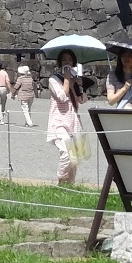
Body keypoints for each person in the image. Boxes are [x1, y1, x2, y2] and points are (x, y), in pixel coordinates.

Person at [46, 49, 88, 184]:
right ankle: (60, 179)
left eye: (70, 60)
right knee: (66, 153)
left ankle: (70, 185)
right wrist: (67, 79)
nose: (67, 62)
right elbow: (62, 97)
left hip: (74, 120)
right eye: (64, 60)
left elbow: (82, 100)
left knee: (76, 158)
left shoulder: (75, 79)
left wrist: (80, 86)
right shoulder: (53, 79)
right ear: (59, 62)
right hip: (59, 121)